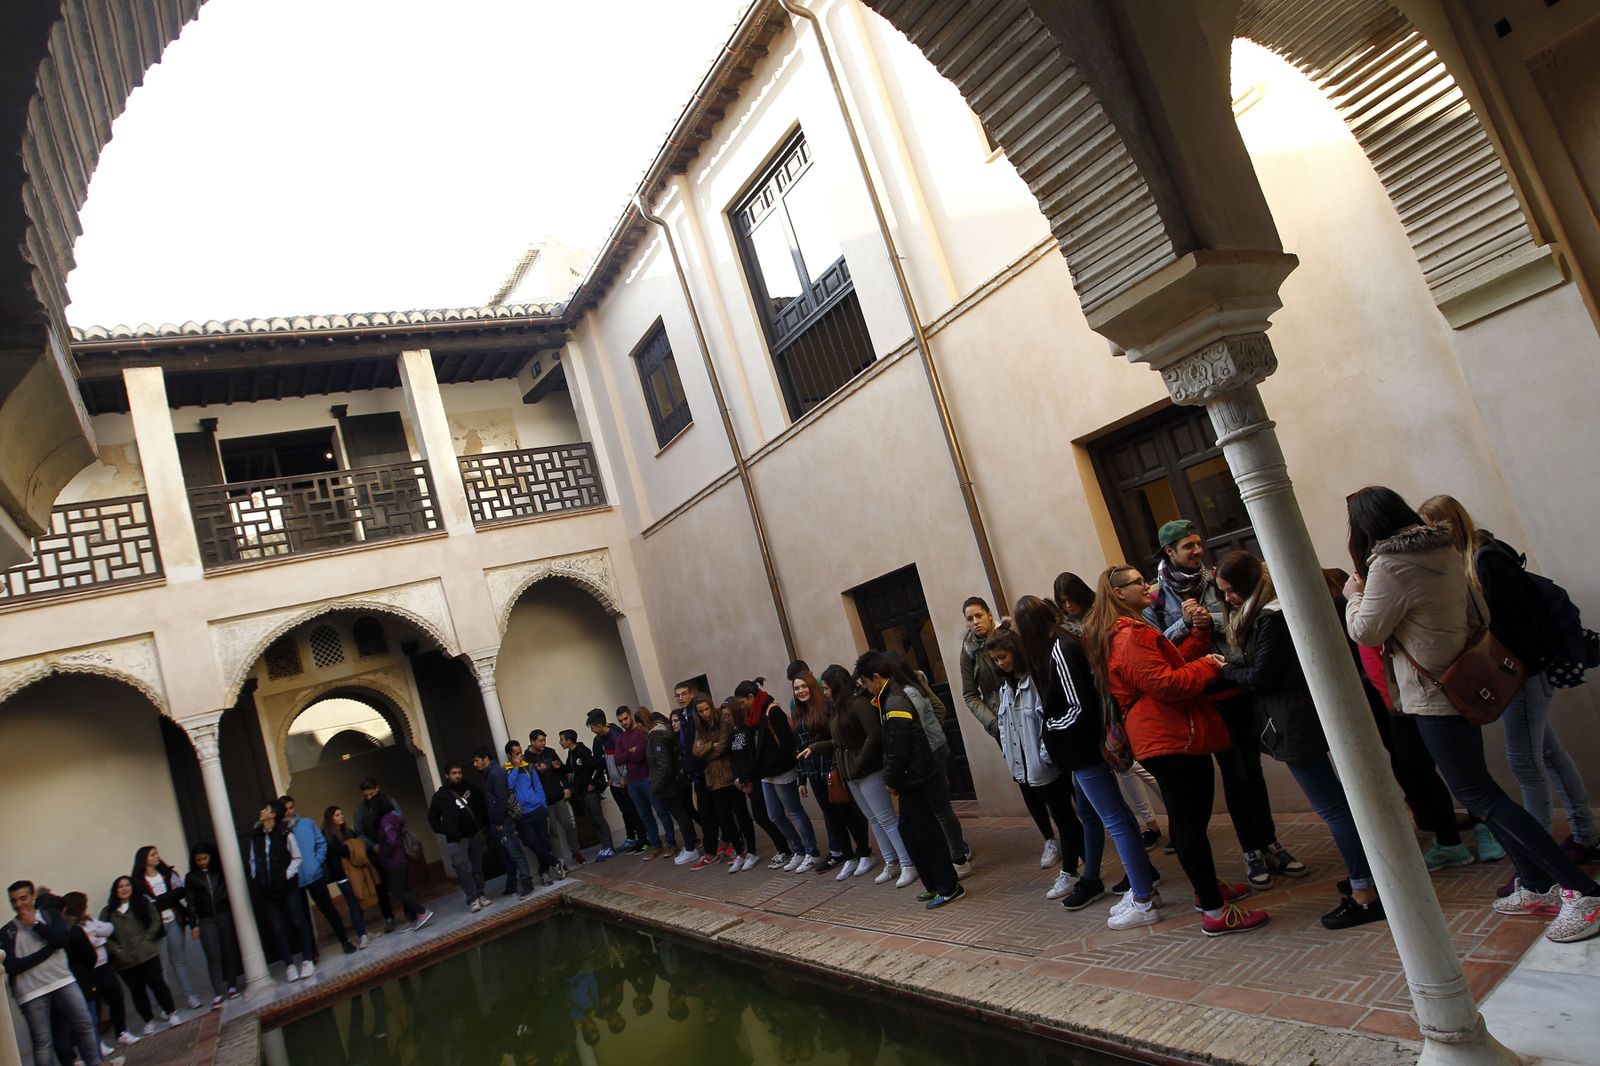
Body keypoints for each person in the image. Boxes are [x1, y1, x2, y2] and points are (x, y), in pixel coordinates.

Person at [1344, 486, 1600, 942]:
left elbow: (1366, 631)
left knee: (1481, 796)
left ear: (1364, 527)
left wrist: (1353, 595)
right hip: (1461, 683)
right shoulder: (1444, 548)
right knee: (1484, 790)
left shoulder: (1387, 565)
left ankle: (1582, 892)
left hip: (1431, 694)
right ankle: (1537, 884)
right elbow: (1480, 612)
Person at [1418, 494, 1600, 871]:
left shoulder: (1485, 561)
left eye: (1433, 528)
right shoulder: (1483, 555)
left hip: (1521, 675)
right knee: (1549, 755)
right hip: (1520, 673)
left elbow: (1515, 625)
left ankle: (1542, 864)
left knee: (1525, 764)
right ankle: (1586, 836)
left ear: (1446, 525)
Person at [1085, 565, 1268, 936]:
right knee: (1189, 823)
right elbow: (1165, 684)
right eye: (1138, 582)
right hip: (1166, 735)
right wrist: (1208, 666)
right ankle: (1215, 911)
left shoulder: (1126, 632)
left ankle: (1208, 891)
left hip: (1165, 733)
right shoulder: (1128, 635)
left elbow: (1169, 663)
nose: (1147, 586)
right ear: (1119, 593)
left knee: (1192, 822)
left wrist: (1200, 636)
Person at [1213, 551, 1385, 930]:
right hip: (1305, 713)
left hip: (1296, 719)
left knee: (1333, 808)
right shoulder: (1274, 608)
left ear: (1245, 585)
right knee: (1343, 802)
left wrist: (1226, 671)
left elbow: (1264, 677)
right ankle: (1371, 876)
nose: (1227, 600)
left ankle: (1365, 891)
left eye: (1229, 591)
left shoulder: (1272, 617)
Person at [1144, 519, 1304, 888]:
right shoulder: (1155, 596)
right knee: (1234, 774)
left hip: (1239, 685)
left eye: (1199, 543)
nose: (1198, 551)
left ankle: (1270, 841)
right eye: (1189, 546)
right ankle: (1252, 849)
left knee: (1252, 771)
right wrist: (1184, 624)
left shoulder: (1217, 578)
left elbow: (1241, 614)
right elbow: (1155, 645)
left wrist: (1207, 619)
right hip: (1205, 695)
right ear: (1170, 552)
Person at [1012, 595, 1163, 927]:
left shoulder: (1059, 650)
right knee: (1114, 816)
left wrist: (1051, 730)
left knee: (1115, 820)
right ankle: (1144, 888)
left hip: (1082, 750)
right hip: (1083, 749)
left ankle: (1142, 898)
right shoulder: (1063, 644)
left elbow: (1078, 707)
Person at [1056, 571, 1165, 851]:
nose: (1068, 607)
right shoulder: (1069, 626)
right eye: (1062, 602)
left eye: (1070, 600)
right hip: (1103, 703)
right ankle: (1150, 823)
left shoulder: (1100, 617)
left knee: (1141, 766)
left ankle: (1176, 814)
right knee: (1125, 768)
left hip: (1115, 698)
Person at [983, 622, 1087, 902]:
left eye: (1004, 656)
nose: (1001, 663)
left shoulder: (1037, 679)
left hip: (1047, 763)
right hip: (1027, 765)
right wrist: (1012, 757)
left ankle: (1071, 871)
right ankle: (1088, 865)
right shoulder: (1006, 686)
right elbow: (1007, 726)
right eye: (996, 660)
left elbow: (1046, 721)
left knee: (1066, 816)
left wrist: (1044, 756)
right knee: (1063, 816)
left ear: (1016, 650)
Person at [854, 652, 963, 907]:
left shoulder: (895, 703)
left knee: (928, 834)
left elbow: (899, 747)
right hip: (909, 779)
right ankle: (933, 883)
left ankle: (949, 886)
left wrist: (891, 779)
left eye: (867, 683)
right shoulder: (887, 699)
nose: (867, 690)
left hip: (915, 777)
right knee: (909, 831)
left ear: (876, 678)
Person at [5, 880, 110, 1065]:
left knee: (84, 1024)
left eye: (23, 898)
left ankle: (95, 1063)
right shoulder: (7, 931)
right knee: (43, 1042)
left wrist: (35, 924)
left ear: (32, 897)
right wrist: (47, 951)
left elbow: (62, 940)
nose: (18, 904)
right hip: (31, 992)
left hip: (63, 981)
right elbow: (12, 966)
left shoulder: (50, 915)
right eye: (14, 901)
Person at [888, 653, 972, 877]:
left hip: (932, 752)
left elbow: (936, 711)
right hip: (932, 750)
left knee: (941, 809)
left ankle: (959, 855)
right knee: (939, 808)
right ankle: (957, 850)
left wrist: (930, 734)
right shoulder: (905, 689)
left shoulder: (910, 689)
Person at [814, 665, 898, 883]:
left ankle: (908, 862)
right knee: (874, 819)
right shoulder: (839, 708)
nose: (824, 692)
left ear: (835, 686)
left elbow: (873, 736)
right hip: (851, 774)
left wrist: (859, 762)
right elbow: (839, 741)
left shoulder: (859, 704)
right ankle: (891, 862)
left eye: (826, 688)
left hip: (867, 771)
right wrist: (816, 748)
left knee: (886, 818)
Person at [790, 663, 872, 876]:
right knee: (831, 817)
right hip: (814, 773)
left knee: (847, 813)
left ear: (812, 686)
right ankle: (848, 857)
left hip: (833, 769)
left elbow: (837, 739)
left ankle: (864, 852)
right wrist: (801, 780)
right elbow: (799, 748)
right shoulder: (799, 713)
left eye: (803, 686)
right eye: (796, 688)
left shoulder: (828, 707)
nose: (800, 691)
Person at [736, 679, 821, 872]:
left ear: (751, 697)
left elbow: (787, 743)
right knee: (774, 815)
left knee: (794, 811)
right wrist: (748, 773)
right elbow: (754, 750)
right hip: (766, 775)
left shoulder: (772, 712)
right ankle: (797, 850)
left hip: (781, 771)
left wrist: (767, 764)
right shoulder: (751, 718)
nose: (741, 707)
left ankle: (811, 851)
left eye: (742, 702)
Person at [248, 800, 317, 979]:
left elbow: (296, 857)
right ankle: (289, 965)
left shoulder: (285, 832)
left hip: (287, 886)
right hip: (267, 890)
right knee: (277, 927)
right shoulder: (256, 836)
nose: (261, 811)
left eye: (266, 809)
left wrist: (287, 875)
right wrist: (259, 878)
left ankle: (307, 960)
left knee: (297, 920)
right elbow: (253, 860)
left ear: (273, 815)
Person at [101, 875, 180, 1031]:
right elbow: (102, 934)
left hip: (147, 953)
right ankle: (148, 1020)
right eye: (120, 886)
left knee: (157, 983)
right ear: (115, 890)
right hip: (124, 960)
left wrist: (147, 938)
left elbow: (156, 920)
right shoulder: (108, 911)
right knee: (137, 991)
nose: (124, 889)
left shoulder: (142, 903)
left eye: (127, 885)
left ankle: (171, 1013)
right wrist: (116, 950)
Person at [281, 795, 356, 957]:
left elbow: (321, 843)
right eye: (286, 808)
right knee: (303, 918)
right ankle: (312, 951)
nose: (289, 811)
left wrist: (317, 862)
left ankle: (344, 941)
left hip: (314, 875)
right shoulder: (280, 831)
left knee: (328, 909)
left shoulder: (307, 824)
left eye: (291, 807)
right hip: (295, 881)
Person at [131, 845, 204, 1008]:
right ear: (144, 859)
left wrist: (159, 900)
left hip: (173, 921)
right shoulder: (137, 882)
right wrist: (163, 900)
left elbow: (179, 892)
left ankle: (190, 996)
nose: (157, 856)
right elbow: (144, 905)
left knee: (179, 961)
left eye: (157, 853)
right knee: (161, 967)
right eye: (152, 855)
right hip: (155, 927)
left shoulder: (168, 873)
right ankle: (167, 1005)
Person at [690, 693, 756, 872]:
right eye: (700, 710)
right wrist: (711, 745)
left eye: (706, 708)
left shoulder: (723, 720)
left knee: (741, 814)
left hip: (729, 773)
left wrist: (708, 747)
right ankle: (740, 853)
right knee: (725, 819)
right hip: (713, 779)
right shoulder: (699, 727)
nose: (705, 713)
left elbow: (723, 746)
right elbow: (695, 751)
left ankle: (751, 851)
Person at [61, 890, 136, 1048]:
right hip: (89, 971)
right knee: (94, 1008)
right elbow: (85, 944)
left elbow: (108, 928)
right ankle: (97, 1043)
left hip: (104, 966)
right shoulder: (70, 926)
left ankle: (121, 1032)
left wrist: (95, 934)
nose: (86, 907)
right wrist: (96, 937)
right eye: (83, 904)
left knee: (116, 997)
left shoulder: (89, 920)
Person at [727, 691, 795, 864]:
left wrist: (744, 777)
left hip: (761, 774)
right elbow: (735, 758)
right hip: (753, 775)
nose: (726, 718)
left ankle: (790, 848)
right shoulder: (735, 732)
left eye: (728, 714)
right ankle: (789, 848)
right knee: (770, 815)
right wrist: (740, 777)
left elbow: (753, 754)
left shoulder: (754, 722)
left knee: (776, 814)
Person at [428, 761, 492, 912]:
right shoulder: (440, 796)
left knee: (477, 866)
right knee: (462, 868)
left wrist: (480, 823)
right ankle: (472, 898)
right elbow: (432, 817)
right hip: (456, 839)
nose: (457, 776)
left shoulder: (470, 787)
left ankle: (481, 894)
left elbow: (481, 803)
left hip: (473, 833)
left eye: (459, 773)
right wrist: (446, 830)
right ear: (447, 775)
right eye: (454, 773)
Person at [185, 842, 243, 1004]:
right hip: (205, 919)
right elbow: (190, 902)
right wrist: (193, 924)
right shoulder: (191, 877)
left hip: (224, 914)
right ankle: (218, 991)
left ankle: (232, 986)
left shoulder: (220, 871)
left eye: (205, 858)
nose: (202, 862)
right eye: (198, 860)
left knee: (228, 950)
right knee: (213, 955)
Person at [471, 749, 535, 897]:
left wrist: (498, 820)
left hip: (503, 821)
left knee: (515, 852)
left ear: (485, 758)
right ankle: (512, 884)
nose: (475, 765)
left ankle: (527, 883)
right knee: (506, 855)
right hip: (497, 822)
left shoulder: (496, 773)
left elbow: (501, 798)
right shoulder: (489, 774)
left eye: (476, 761)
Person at [645, 707, 701, 865]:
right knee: (685, 813)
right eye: (672, 721)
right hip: (676, 780)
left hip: (674, 782)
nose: (674, 724)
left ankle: (692, 847)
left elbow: (665, 765)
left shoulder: (659, 737)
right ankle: (692, 844)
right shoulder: (668, 735)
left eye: (677, 720)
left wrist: (657, 785)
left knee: (684, 813)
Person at [506, 739, 565, 884]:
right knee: (532, 842)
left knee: (544, 841)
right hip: (522, 813)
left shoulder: (529, 768)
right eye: (516, 754)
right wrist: (515, 767)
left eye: (520, 752)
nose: (520, 756)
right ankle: (555, 862)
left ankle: (544, 873)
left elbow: (538, 787)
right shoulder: (506, 770)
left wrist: (543, 806)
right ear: (509, 755)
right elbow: (509, 786)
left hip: (537, 808)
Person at [589, 708, 648, 852]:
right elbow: (606, 761)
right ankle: (632, 839)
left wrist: (625, 777)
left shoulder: (615, 736)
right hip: (614, 780)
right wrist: (609, 777)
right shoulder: (600, 739)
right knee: (626, 812)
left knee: (633, 810)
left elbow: (623, 759)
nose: (591, 731)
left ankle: (643, 839)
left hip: (624, 780)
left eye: (592, 727)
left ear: (598, 725)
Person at [372, 795, 434, 931]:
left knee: (398, 890)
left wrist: (385, 854)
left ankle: (422, 911)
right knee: (406, 888)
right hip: (402, 857)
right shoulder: (395, 816)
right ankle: (415, 918)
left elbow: (391, 840)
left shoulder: (385, 821)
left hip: (394, 861)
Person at [613, 706, 668, 858]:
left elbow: (640, 755)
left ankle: (670, 842)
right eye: (620, 721)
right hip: (632, 782)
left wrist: (629, 754)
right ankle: (656, 845)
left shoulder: (641, 732)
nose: (623, 722)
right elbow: (617, 760)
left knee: (661, 811)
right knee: (645, 815)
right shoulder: (621, 738)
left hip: (647, 778)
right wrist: (629, 752)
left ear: (630, 716)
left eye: (625, 718)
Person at [676, 682, 722, 860]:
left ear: (692, 694)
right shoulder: (684, 717)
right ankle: (713, 848)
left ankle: (722, 845)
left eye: (684, 694)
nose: (681, 698)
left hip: (708, 768)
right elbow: (688, 747)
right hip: (695, 771)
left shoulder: (697, 715)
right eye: (677, 695)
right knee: (706, 812)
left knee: (717, 810)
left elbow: (703, 743)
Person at [529, 729, 585, 866]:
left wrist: (566, 787)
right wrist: (538, 771)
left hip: (559, 796)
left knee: (569, 824)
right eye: (541, 741)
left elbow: (562, 771)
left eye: (544, 740)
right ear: (532, 742)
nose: (544, 743)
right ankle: (560, 861)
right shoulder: (527, 759)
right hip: (544, 802)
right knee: (552, 833)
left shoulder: (550, 752)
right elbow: (528, 781)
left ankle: (575, 851)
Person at [559, 728, 617, 860]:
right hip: (581, 793)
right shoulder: (571, 753)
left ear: (569, 740)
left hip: (590, 792)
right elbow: (569, 768)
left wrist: (592, 782)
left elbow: (597, 766)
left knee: (598, 819)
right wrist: (559, 767)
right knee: (592, 821)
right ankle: (604, 846)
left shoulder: (582, 751)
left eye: (562, 739)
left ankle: (609, 846)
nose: (560, 742)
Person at [320, 807, 375, 943]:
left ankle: (363, 930)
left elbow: (359, 844)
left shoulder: (348, 832)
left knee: (359, 900)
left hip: (355, 871)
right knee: (352, 903)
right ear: (330, 818)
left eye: (341, 813)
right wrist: (352, 846)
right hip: (341, 875)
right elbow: (340, 850)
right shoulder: (327, 836)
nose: (341, 816)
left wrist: (352, 846)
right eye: (337, 815)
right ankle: (362, 935)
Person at [353, 778, 400, 933]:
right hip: (375, 851)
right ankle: (389, 918)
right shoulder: (361, 810)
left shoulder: (389, 802)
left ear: (377, 789)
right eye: (366, 795)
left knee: (399, 882)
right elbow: (359, 832)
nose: (369, 798)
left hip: (393, 847)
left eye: (371, 794)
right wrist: (373, 845)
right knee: (380, 887)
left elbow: (399, 820)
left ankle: (411, 913)